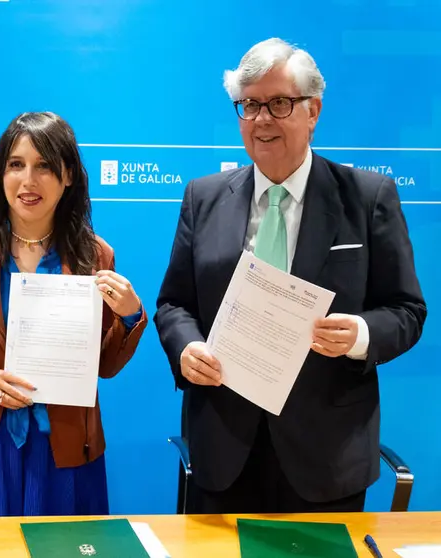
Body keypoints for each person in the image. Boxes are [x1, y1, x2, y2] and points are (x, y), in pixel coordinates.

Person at [155, 38, 426, 514]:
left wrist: (360, 333)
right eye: (249, 105)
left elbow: (406, 310)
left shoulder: (366, 197)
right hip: (223, 448)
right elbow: (174, 304)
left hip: (327, 455)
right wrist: (187, 348)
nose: (261, 119)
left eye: (279, 103)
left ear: (312, 111)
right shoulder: (204, 197)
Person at [0, 111, 147, 517]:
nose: (28, 181)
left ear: (68, 175)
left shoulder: (95, 254)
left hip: (63, 444)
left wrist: (129, 317)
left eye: (45, 166)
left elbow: (101, 366)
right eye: (16, 165)